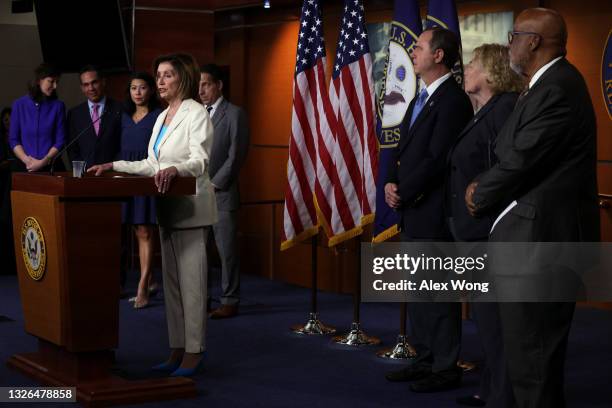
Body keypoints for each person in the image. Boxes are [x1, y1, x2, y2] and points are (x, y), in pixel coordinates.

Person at [465, 8, 599, 408]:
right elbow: (511, 151)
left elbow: (521, 158)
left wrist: (479, 193)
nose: (510, 44)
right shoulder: (541, 85)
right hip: (531, 244)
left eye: (514, 36)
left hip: (543, 248)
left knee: (534, 362)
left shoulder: (558, 87)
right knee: (525, 358)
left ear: (534, 41)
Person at [89, 53, 217, 377]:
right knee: (173, 286)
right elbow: (150, 164)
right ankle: (177, 347)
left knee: (192, 286)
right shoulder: (161, 117)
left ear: (183, 79)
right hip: (166, 209)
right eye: (157, 75)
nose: (159, 81)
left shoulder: (196, 113)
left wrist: (176, 168)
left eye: (167, 75)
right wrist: (113, 165)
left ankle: (194, 350)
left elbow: (200, 161)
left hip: (191, 209)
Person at [384, 27, 473, 392]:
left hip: (434, 213)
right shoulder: (421, 97)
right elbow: (404, 151)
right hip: (414, 210)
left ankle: (445, 366)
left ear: (439, 56)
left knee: (438, 294)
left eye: (419, 46)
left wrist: (403, 191)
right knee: (419, 294)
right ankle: (424, 359)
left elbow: (437, 159)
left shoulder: (452, 100)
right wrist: (391, 182)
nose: (413, 51)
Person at [447, 44, 524, 407]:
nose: (467, 69)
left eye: (473, 64)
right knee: (487, 320)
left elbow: (506, 169)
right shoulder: (485, 111)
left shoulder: (505, 107)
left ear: (491, 71)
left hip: (489, 232)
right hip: (473, 231)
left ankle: (502, 397)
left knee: (497, 324)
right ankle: (490, 391)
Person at [199, 64, 249, 319]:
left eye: (206, 84)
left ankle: (229, 300)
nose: (201, 90)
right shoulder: (197, 114)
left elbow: (236, 155)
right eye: (198, 85)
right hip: (196, 194)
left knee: (226, 251)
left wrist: (214, 183)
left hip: (222, 193)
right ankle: (203, 299)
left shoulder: (234, 114)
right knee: (200, 252)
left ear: (219, 85)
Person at [120, 72, 163, 309]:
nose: (138, 92)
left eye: (143, 88)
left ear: (151, 91)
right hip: (127, 177)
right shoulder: (124, 116)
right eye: (133, 88)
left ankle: (142, 287)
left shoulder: (158, 116)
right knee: (136, 230)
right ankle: (152, 280)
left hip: (147, 176)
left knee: (146, 231)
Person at [9, 63, 65, 172]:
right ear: (39, 80)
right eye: (51, 81)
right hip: (24, 167)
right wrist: (27, 160)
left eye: (57, 82)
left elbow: (60, 141)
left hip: (51, 167)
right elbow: (14, 139)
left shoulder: (58, 106)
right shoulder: (19, 105)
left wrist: (43, 162)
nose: (55, 86)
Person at [67, 65, 122, 166]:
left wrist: (113, 167)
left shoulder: (119, 109)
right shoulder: (74, 114)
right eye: (86, 85)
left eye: (94, 82)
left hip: (112, 172)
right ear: (82, 88)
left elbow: (124, 144)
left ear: (103, 82)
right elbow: (72, 149)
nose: (91, 88)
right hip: (86, 175)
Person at [0, 107, 16, 276]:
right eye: (5, 120)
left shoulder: (19, 138)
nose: (8, 122)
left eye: (10, 119)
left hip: (13, 182)